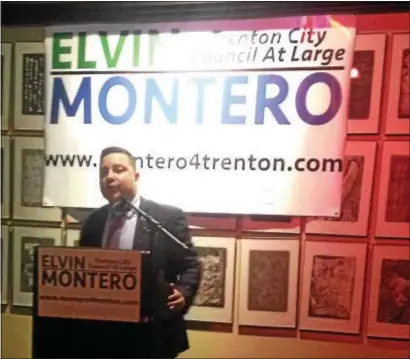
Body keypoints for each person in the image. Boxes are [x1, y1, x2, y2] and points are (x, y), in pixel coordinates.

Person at [79, 146, 201, 358]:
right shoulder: (93, 221)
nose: (110, 177)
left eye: (118, 169)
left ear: (135, 176)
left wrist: (184, 291)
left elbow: (191, 263)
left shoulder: (167, 217)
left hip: (152, 332)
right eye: (103, 172)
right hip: (103, 333)